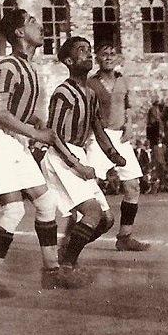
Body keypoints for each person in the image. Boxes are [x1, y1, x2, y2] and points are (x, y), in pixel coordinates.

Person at [0, 9, 60, 298]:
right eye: (33, 22)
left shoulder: (29, 67)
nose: (41, 26)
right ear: (19, 33)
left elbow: (15, 109)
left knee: (47, 201)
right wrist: (36, 133)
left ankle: (52, 272)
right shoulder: (8, 66)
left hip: (13, 139)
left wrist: (33, 119)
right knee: (14, 209)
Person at [40, 36, 127, 284]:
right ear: (68, 60)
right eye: (81, 51)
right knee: (92, 213)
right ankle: (66, 266)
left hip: (78, 154)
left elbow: (98, 128)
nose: (88, 55)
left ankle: (65, 254)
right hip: (61, 156)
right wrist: (77, 165)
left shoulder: (89, 93)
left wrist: (115, 157)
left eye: (89, 50)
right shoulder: (63, 92)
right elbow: (53, 135)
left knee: (107, 220)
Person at [86, 43, 150, 251]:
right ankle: (72, 235)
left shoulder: (122, 80)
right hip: (99, 138)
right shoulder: (91, 83)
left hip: (121, 139)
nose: (109, 57)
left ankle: (125, 237)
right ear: (97, 58)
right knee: (88, 184)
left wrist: (130, 125)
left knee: (133, 186)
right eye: (104, 54)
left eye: (112, 53)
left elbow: (128, 106)